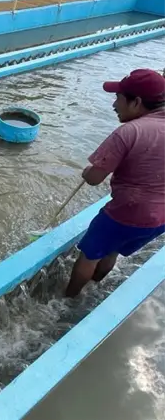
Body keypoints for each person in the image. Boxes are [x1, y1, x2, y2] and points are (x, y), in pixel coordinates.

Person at [65, 68, 165, 297]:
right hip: (160, 219)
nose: (114, 105)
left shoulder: (129, 132)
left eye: (118, 98)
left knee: (89, 255)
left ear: (136, 102)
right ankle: (95, 287)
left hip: (128, 212)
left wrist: (88, 171)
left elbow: (94, 179)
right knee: (113, 250)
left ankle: (69, 298)